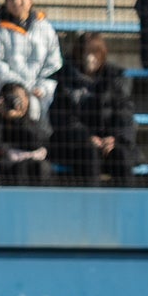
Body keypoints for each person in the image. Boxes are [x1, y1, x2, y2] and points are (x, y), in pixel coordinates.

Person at [50, 32, 136, 185]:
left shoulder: (115, 78)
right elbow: (61, 117)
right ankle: (91, 198)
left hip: (109, 142)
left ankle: (127, 198)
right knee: (89, 154)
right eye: (85, 53)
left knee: (122, 155)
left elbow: (125, 113)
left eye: (95, 53)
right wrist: (86, 137)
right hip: (75, 145)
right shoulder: (64, 79)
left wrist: (114, 138)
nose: (90, 58)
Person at [0, 0, 61, 118]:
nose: (16, 2)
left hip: (39, 97)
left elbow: (53, 64)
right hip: (8, 93)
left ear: (30, 0)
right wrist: (18, 87)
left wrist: (43, 88)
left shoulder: (45, 28)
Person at [0, 79, 51, 182]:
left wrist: (18, 119)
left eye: (20, 98)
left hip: (25, 168)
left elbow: (37, 143)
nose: (16, 102)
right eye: (12, 98)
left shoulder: (31, 123)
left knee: (39, 168)